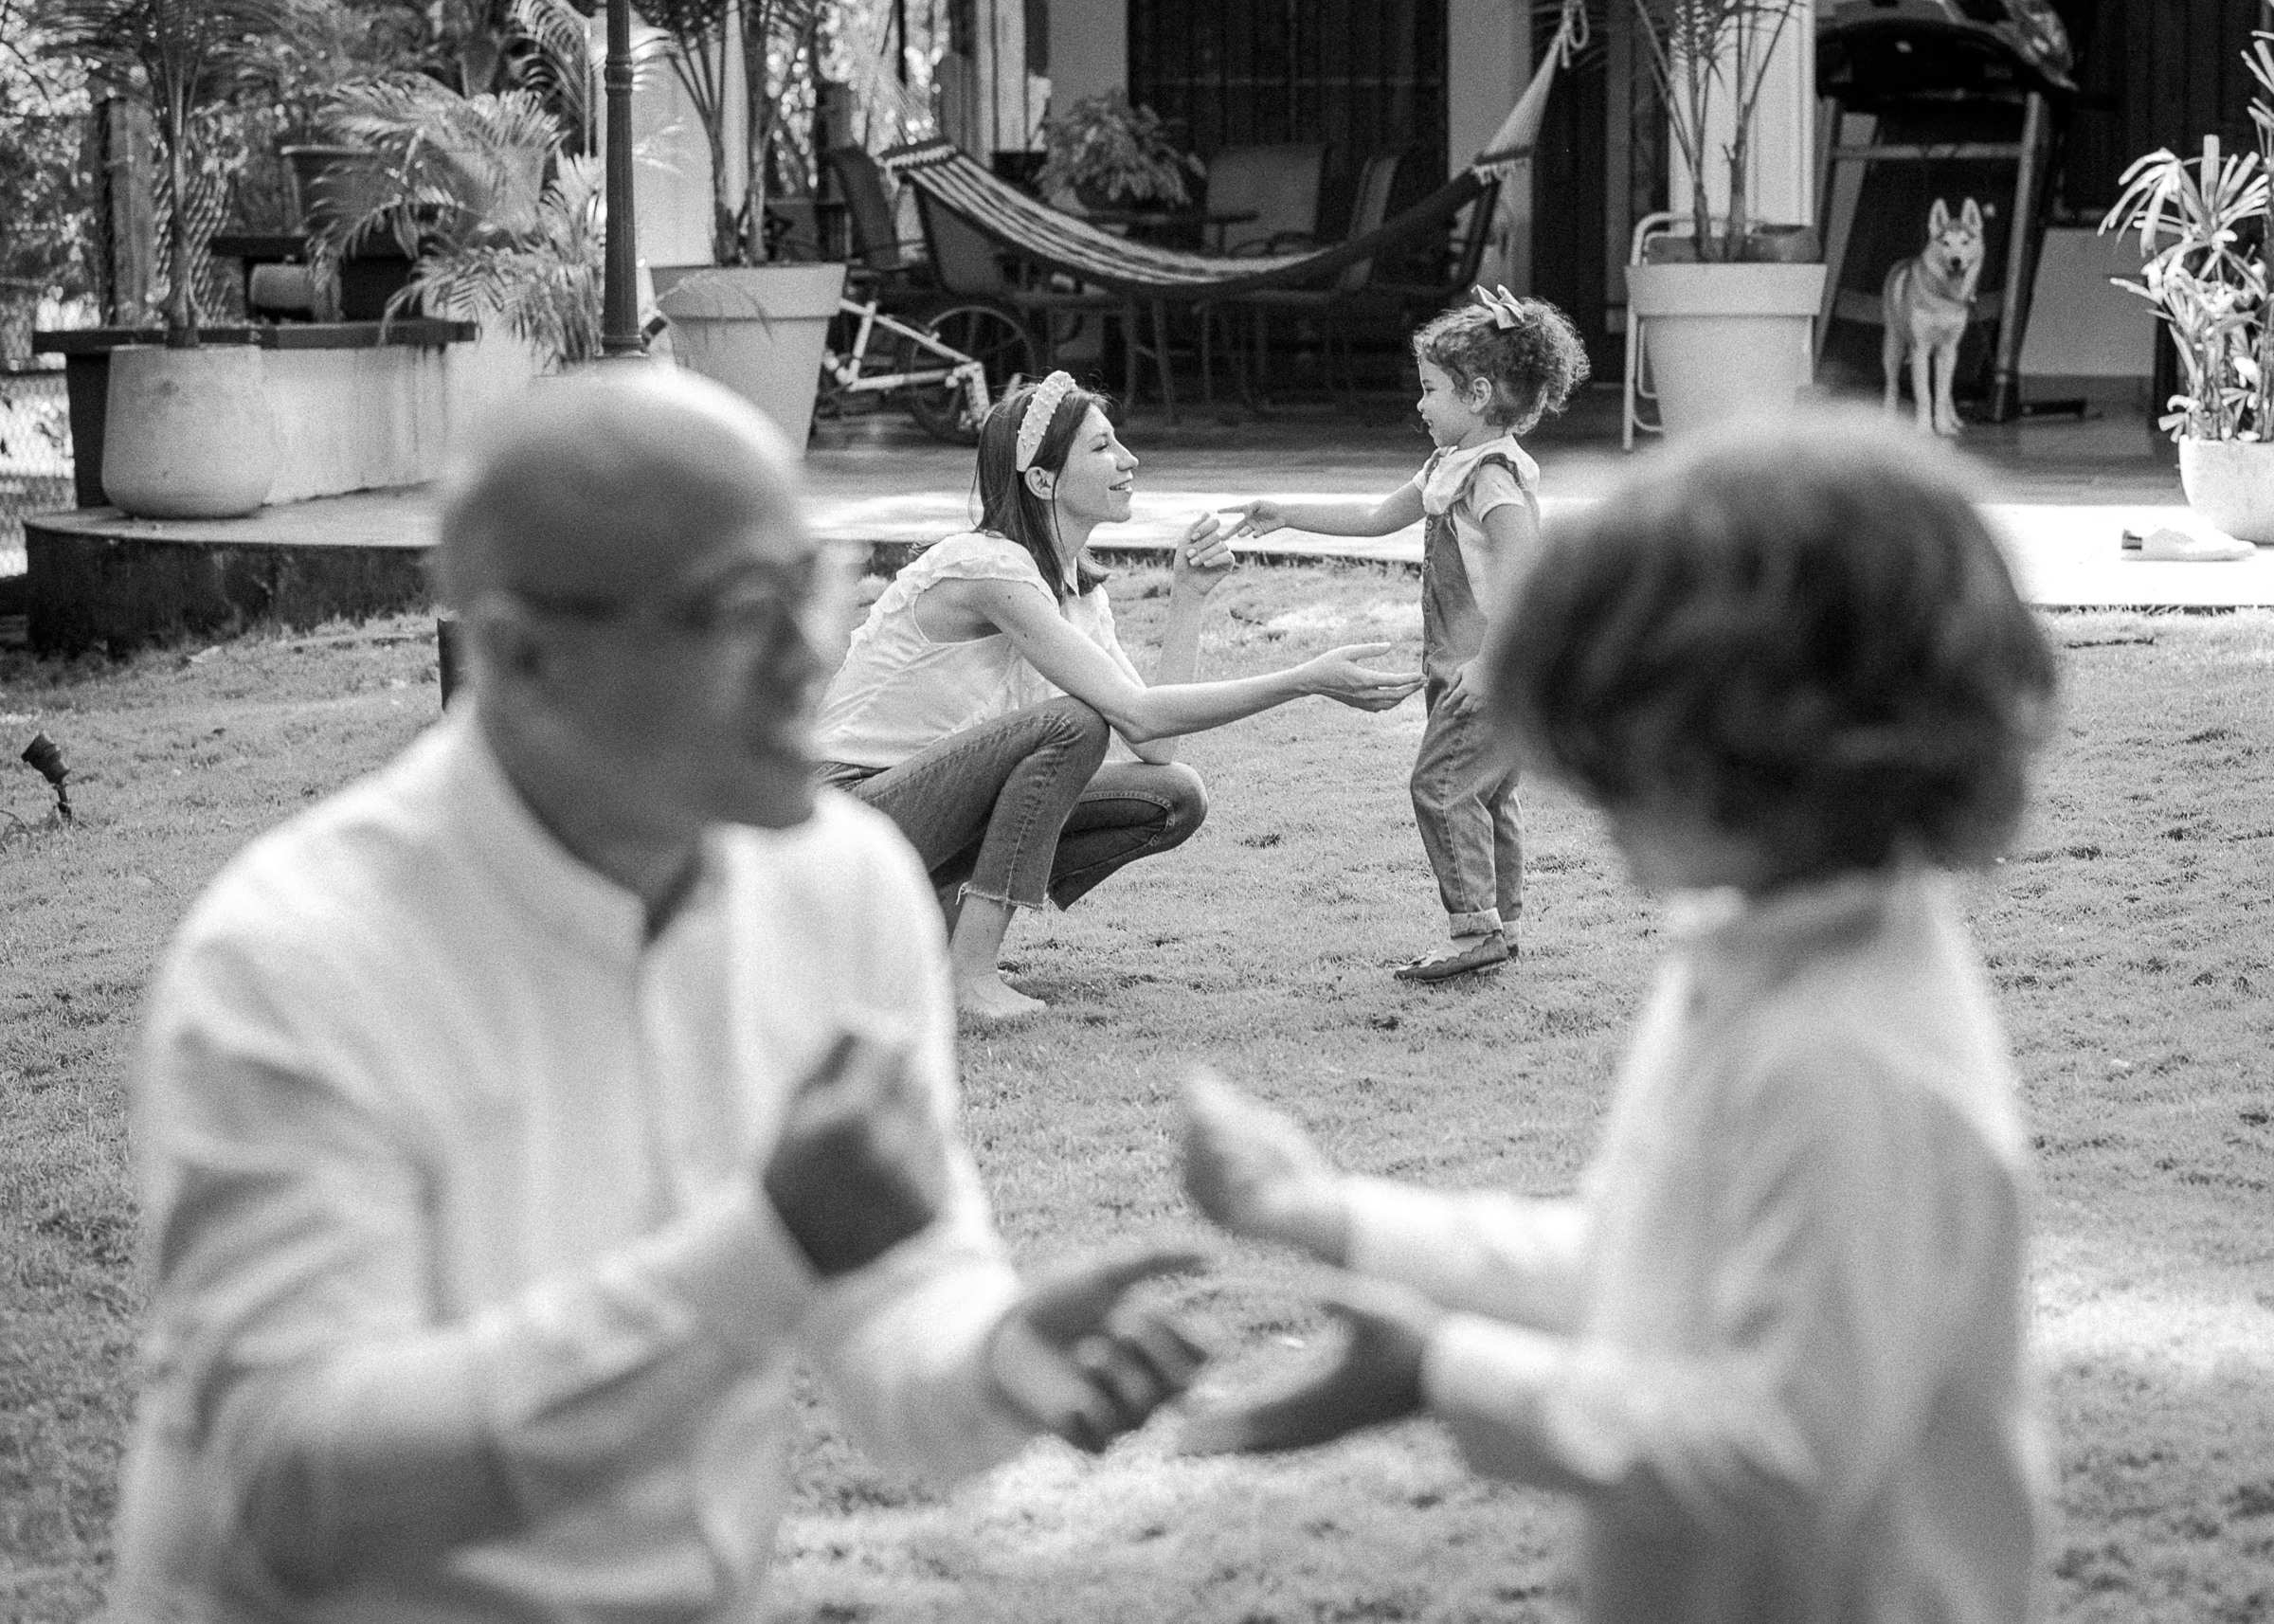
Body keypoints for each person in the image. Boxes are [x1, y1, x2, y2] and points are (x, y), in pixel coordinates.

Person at [111, 369, 1210, 1624]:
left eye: (812, 585)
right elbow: (294, 1476)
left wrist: (1003, 1356)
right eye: (743, 610)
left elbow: (902, 1313)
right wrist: (758, 1249)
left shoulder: (842, 886)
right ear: (522, 655)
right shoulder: (296, 960)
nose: (814, 655)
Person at [1180, 418, 2060, 1624]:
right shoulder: (1750, 950)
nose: (1579, 793)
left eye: (1615, 754)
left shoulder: (1852, 1061)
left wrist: (1445, 1372)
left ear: (1763, 750)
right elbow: (1653, 1259)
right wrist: (1334, 1215)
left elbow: (1779, 1453)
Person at [815, 370, 1425, 1022]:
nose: (1128, 460)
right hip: (842, 813)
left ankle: (928, 934)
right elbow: (1128, 715)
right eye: (1102, 448)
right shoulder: (985, 567)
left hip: (921, 816)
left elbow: (1155, 744)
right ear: (1044, 480)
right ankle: (967, 975)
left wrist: (1187, 596)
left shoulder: (1079, 593)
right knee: (1074, 725)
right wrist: (1304, 679)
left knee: (1172, 796)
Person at [1228, 286, 1589, 983]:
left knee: (1440, 788)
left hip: (1486, 669)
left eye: (1430, 391)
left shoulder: (1490, 478)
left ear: (1478, 393)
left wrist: (1492, 663)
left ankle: (1474, 929)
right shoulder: (1446, 467)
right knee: (1485, 796)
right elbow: (1374, 517)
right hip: (1466, 666)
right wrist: (1288, 512)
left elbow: (1525, 573)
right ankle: (1501, 925)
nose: (1420, 405)